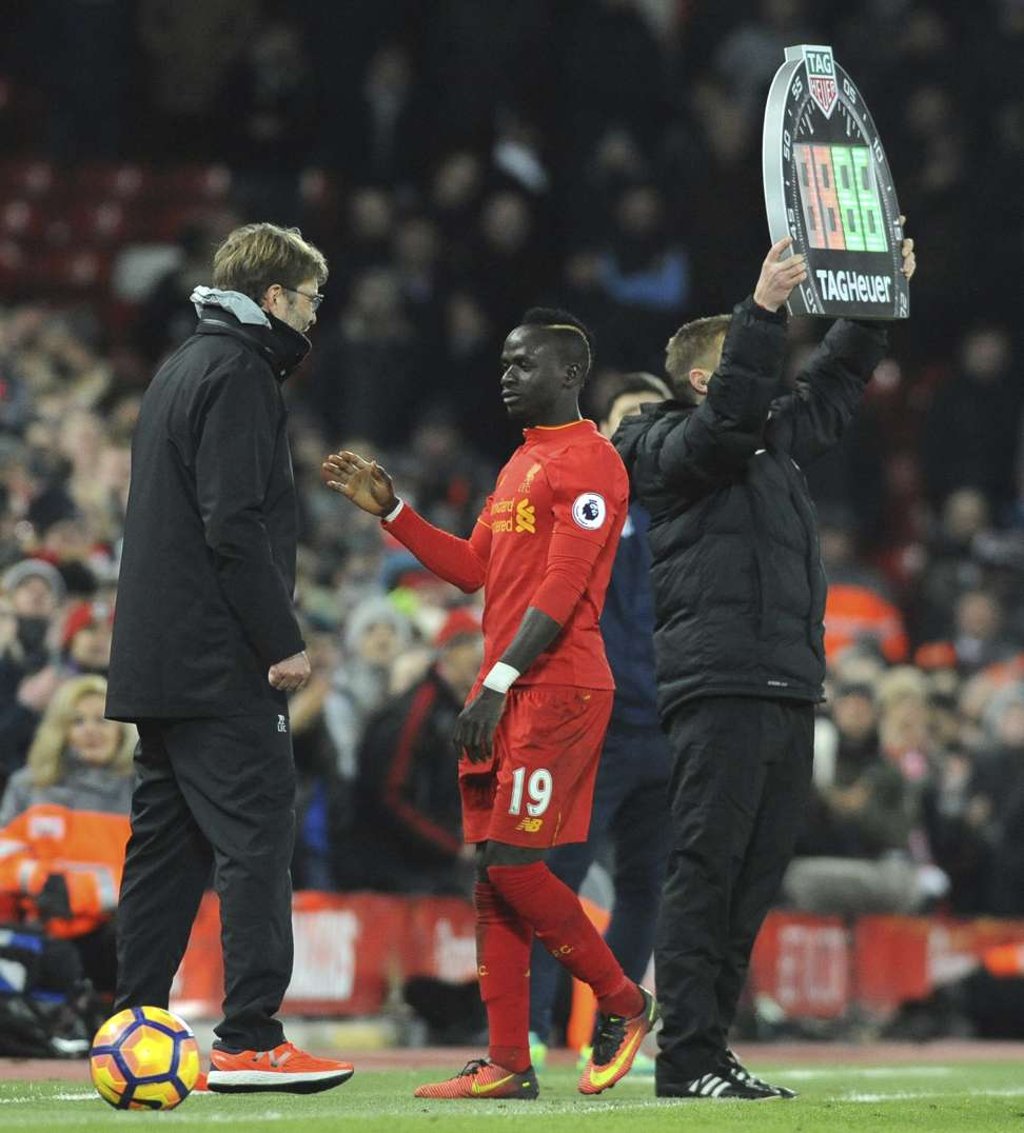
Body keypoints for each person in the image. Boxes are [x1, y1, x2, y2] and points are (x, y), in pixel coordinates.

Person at [323, 307, 658, 1101]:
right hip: (507, 686)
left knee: (514, 861)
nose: (506, 375)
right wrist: (396, 514)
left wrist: (500, 680)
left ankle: (623, 999)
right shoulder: (518, 465)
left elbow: (565, 586)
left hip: (557, 686)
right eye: (504, 363)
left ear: (569, 373)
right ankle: (508, 1059)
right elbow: (474, 568)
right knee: (494, 873)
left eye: (523, 364)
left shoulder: (594, 460)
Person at [613, 232, 916, 1100]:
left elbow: (833, 385)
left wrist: (874, 301)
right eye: (751, 356)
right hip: (717, 680)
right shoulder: (658, 445)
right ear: (708, 378)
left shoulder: (770, 442)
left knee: (751, 876)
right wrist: (762, 309)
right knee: (706, 867)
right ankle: (685, 1059)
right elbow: (724, 429)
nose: (777, 371)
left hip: (786, 679)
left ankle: (710, 1047)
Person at [105, 222, 353, 1094]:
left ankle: (129, 1019)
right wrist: (280, 640)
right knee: (255, 837)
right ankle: (251, 1037)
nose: (315, 320)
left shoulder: (179, 365)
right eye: (312, 301)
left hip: (157, 658)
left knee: (165, 847)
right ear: (277, 297)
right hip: (220, 661)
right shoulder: (242, 372)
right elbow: (233, 523)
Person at [528, 372, 672, 1063]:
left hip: (666, 724)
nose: (640, 424)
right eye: (628, 414)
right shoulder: (584, 501)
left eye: (654, 412)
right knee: (557, 874)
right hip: (598, 722)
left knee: (646, 883)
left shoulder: (681, 507)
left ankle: (613, 1025)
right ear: (606, 427)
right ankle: (528, 1026)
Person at [0, 675, 134, 996]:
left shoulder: (144, 790)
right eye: (78, 721)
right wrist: (39, 880)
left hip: (113, 933)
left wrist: (77, 892)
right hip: (36, 927)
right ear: (61, 731)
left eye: (103, 719)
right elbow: (4, 858)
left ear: (121, 729)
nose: (91, 730)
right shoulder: (28, 786)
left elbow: (153, 874)